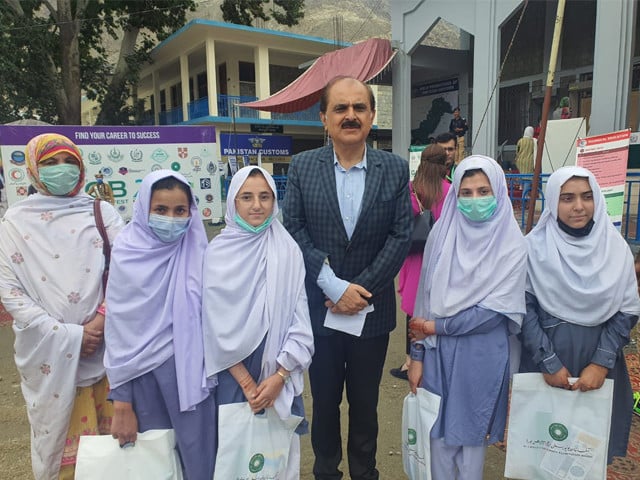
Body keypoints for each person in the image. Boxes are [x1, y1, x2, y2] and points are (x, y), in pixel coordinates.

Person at [282, 75, 412, 480]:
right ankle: (325, 472)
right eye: (341, 108)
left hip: (371, 315)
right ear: (324, 118)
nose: (350, 115)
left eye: (359, 107)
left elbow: (400, 235)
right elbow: (294, 229)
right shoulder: (303, 167)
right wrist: (334, 286)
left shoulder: (394, 169)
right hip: (320, 311)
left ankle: (364, 472)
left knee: (365, 403)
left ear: (372, 115)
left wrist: (361, 291)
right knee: (323, 402)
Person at [0, 133, 125, 479]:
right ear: (33, 170)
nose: (62, 169)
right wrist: (66, 335)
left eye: (70, 161)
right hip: (49, 354)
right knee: (66, 458)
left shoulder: (102, 213)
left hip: (107, 351)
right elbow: (9, 290)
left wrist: (99, 322)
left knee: (118, 450)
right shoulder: (14, 223)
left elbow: (127, 270)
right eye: (51, 163)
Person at [408, 155, 526, 480]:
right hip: (436, 353)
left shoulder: (512, 245)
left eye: (484, 191)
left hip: (482, 354)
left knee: (472, 443)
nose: (475, 200)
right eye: (466, 192)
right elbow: (423, 300)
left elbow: (494, 313)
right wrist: (416, 355)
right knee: (437, 439)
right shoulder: (441, 237)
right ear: (455, 195)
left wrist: (439, 326)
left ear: (498, 193)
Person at [519, 166, 640, 463]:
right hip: (545, 360)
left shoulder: (614, 248)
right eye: (567, 198)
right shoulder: (534, 248)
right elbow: (523, 309)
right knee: (541, 446)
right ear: (552, 202)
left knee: (588, 450)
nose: (578, 207)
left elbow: (626, 311)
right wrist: (548, 362)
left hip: (599, 362)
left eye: (587, 197)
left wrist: (600, 363)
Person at [202, 165, 314, 478]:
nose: (257, 205)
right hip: (232, 373)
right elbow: (210, 324)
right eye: (246, 197)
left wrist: (280, 374)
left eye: (265, 196)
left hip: (278, 369)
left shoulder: (287, 249)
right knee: (235, 455)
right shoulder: (216, 253)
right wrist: (248, 383)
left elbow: (299, 318)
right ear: (232, 203)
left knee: (276, 457)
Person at [104, 170, 216, 480]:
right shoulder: (127, 254)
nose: (171, 219)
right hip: (143, 381)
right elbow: (118, 334)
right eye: (161, 210)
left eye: (180, 211)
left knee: (200, 462)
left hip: (193, 378)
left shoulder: (199, 252)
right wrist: (122, 403)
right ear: (144, 209)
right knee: (155, 465)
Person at [390, 144, 451, 381]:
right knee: (436, 310)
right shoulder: (451, 190)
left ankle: (410, 361)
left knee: (414, 310)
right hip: (441, 257)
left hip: (416, 255)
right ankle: (434, 357)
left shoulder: (412, 189)